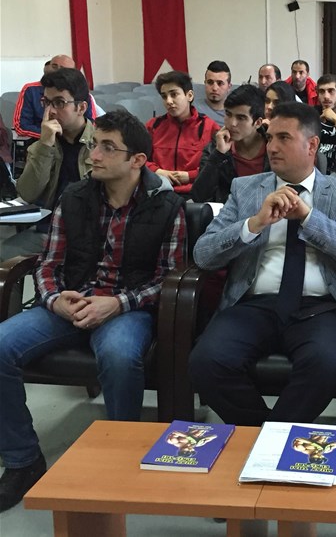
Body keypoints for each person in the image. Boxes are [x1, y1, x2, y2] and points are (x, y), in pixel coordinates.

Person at [0, 110, 186, 513]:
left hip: (127, 307)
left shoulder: (166, 206)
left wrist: (118, 303)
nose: (94, 155)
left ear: (137, 160)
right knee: (0, 345)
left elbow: (168, 278)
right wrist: (55, 300)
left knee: (119, 355)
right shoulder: (74, 197)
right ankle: (22, 460)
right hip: (71, 301)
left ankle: (120, 459)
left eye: (107, 147)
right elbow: (48, 264)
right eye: (94, 144)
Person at [188, 103, 336, 426]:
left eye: (283, 138)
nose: (271, 147)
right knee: (206, 362)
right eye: (270, 137)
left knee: (324, 365)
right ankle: (270, 436)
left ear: (312, 145)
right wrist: (253, 224)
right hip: (253, 305)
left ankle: (267, 439)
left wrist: (309, 218)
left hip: (320, 308)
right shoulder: (245, 189)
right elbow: (203, 254)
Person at [4, 68, 95, 260]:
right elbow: (28, 194)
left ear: (81, 108)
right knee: (3, 255)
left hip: (91, 232)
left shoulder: (100, 144)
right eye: (46, 102)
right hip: (49, 230)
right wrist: (45, 145)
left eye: (59, 103)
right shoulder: (41, 146)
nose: (50, 111)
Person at [146, 70, 219, 196]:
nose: (169, 101)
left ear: (189, 96)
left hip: (195, 194)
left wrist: (190, 176)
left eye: (174, 94)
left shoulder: (209, 127)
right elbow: (138, 159)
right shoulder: (153, 126)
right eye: (164, 96)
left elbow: (217, 166)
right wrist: (157, 171)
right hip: (159, 192)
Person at [191, 84, 268, 203]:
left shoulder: (273, 147)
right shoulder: (216, 147)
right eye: (228, 114)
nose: (232, 123)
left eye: (241, 118)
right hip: (228, 212)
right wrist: (218, 155)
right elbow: (199, 196)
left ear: (257, 123)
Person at [13, 55, 97, 139]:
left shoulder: (83, 94)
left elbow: (90, 124)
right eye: (54, 66)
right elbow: (21, 126)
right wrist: (48, 135)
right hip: (38, 140)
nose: (57, 70)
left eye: (60, 103)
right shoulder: (31, 90)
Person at [198, 60, 232, 126]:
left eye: (220, 83)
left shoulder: (234, 115)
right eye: (210, 82)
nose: (214, 88)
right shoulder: (192, 108)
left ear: (229, 87)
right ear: (205, 83)